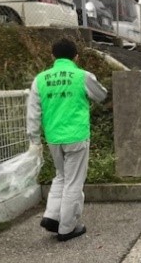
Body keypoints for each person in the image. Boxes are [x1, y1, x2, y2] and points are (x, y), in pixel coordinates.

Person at [26, 38, 108, 241]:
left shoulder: (40, 79)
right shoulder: (82, 76)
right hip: (76, 136)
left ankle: (52, 216)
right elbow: (101, 95)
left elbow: (33, 113)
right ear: (76, 57)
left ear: (52, 56)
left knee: (61, 176)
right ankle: (67, 228)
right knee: (73, 182)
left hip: (53, 138)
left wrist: (34, 139)